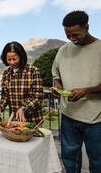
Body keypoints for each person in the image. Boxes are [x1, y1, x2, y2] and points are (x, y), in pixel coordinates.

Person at [52, 10, 101, 173]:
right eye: (68, 35)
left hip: (96, 118)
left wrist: (86, 90)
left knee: (97, 160)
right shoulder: (62, 51)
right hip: (68, 115)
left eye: (76, 34)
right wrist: (57, 86)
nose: (72, 39)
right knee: (69, 159)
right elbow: (55, 75)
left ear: (86, 27)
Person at [0, 41, 44, 123]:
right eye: (9, 59)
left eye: (14, 59)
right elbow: (5, 95)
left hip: (32, 120)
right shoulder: (6, 73)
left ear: (21, 56)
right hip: (13, 120)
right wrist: (0, 107)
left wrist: (24, 108)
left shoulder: (33, 71)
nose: (12, 62)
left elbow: (37, 97)